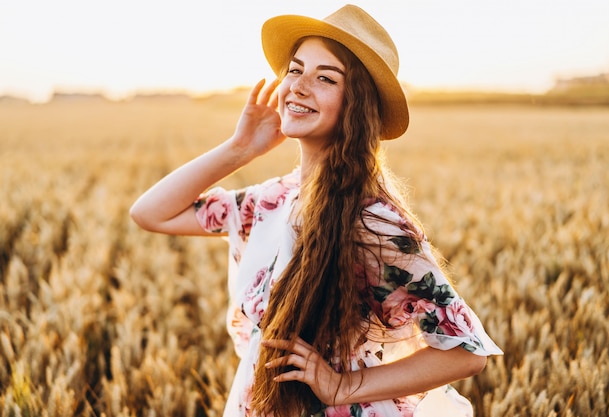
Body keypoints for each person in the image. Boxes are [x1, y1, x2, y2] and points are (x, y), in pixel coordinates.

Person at [130, 4, 503, 417]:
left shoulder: (373, 222)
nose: (300, 86)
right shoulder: (272, 201)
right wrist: (239, 149)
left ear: (355, 105)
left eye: (325, 78)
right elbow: (150, 213)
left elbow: (466, 353)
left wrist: (341, 386)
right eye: (295, 70)